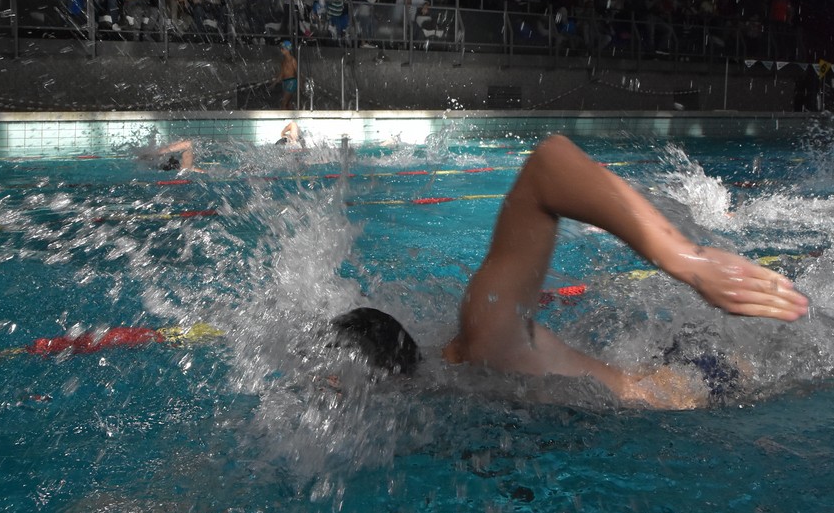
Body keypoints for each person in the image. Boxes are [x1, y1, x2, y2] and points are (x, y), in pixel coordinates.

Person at [333, 136, 809, 407]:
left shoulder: (484, 342)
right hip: (669, 368)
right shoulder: (451, 368)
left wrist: (687, 260)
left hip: (698, 388)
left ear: (385, 384)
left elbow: (549, 163)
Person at [274, 40, 298, 110]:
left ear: (288, 49)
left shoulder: (292, 60)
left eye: (283, 48)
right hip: (285, 82)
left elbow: (298, 73)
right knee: (288, 103)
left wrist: (300, 84)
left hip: (291, 82)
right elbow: (281, 74)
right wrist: (274, 83)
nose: (281, 50)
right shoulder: (283, 61)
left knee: (283, 103)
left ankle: (284, 115)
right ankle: (290, 115)